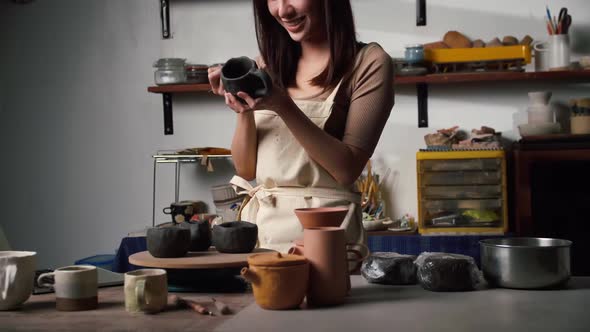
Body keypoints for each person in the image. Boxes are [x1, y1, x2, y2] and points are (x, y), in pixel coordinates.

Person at [208, 0, 394, 252]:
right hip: (264, 238)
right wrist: (243, 110)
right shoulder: (265, 65)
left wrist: (283, 105)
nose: (283, 10)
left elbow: (347, 169)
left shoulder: (368, 63)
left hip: (328, 235)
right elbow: (245, 169)